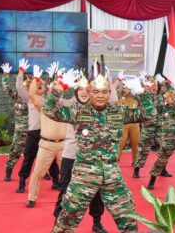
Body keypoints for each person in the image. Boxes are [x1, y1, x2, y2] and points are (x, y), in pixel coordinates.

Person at [44, 67, 156, 233]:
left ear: (109, 92)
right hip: (84, 176)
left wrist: (141, 92)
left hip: (112, 175)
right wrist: (59, 88)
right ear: (89, 93)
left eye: (104, 92)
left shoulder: (118, 112)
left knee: (128, 219)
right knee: (66, 221)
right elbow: (49, 110)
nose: (100, 96)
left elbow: (149, 113)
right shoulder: (77, 111)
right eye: (96, 92)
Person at [53, 74, 107, 233]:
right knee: (65, 189)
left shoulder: (96, 106)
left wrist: (109, 83)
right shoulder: (69, 105)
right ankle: (58, 221)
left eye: (86, 89)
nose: (83, 92)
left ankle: (97, 222)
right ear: (75, 91)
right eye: (80, 89)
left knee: (96, 191)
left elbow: (112, 101)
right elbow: (51, 105)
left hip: (92, 157)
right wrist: (60, 86)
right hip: (71, 155)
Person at [25, 63, 70, 208]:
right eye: (53, 87)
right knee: (37, 172)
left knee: (71, 174)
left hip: (64, 145)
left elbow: (84, 98)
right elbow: (32, 95)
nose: (56, 89)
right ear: (50, 91)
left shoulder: (68, 105)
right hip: (46, 145)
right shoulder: (44, 104)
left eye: (59, 87)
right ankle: (32, 198)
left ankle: (71, 199)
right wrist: (36, 78)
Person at [14, 59, 59, 193]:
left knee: (51, 159)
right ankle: (22, 182)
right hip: (33, 133)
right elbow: (18, 87)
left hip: (47, 133)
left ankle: (56, 180)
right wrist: (21, 71)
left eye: (42, 85)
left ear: (45, 88)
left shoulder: (49, 100)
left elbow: (55, 88)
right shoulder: (29, 98)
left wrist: (54, 75)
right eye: (37, 85)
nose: (40, 87)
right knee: (28, 158)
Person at [0, 63, 29, 182]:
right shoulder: (17, 96)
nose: (24, 86)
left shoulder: (34, 97)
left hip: (34, 130)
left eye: (27, 84)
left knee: (40, 153)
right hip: (20, 131)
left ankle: (46, 173)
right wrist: (5, 75)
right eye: (23, 84)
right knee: (15, 152)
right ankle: (8, 172)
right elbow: (6, 88)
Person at [133, 73, 162, 178]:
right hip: (148, 127)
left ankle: (163, 169)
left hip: (159, 127)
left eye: (156, 85)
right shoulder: (143, 97)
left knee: (163, 149)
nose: (154, 87)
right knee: (144, 149)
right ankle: (136, 169)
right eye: (152, 85)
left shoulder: (160, 98)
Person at [113, 71, 140, 163]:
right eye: (124, 87)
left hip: (135, 125)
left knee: (135, 145)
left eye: (128, 87)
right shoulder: (118, 96)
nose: (126, 89)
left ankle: (135, 163)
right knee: (120, 144)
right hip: (122, 125)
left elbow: (144, 95)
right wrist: (119, 80)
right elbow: (111, 90)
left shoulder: (136, 97)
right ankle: (116, 161)